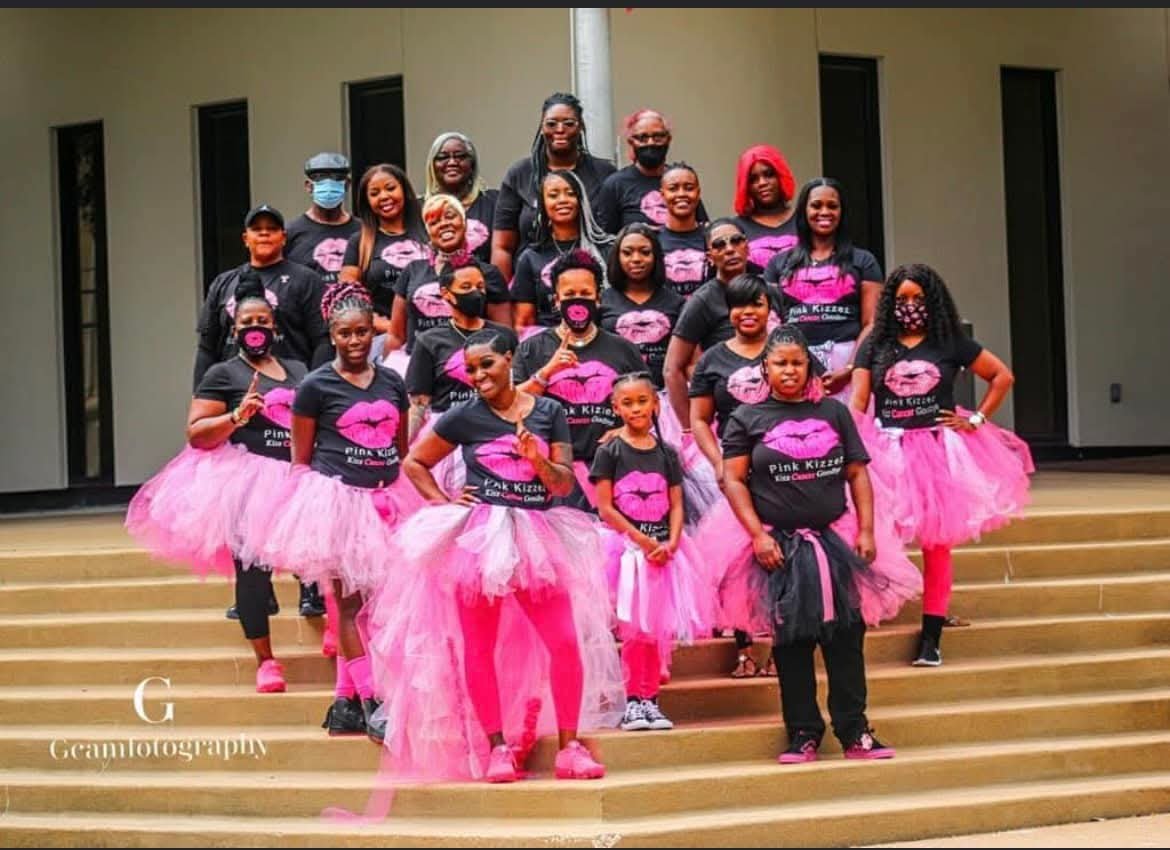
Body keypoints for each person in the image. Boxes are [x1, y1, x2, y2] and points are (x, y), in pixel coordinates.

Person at [365, 328, 623, 783]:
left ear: (509, 358)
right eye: (471, 368)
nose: (478, 374)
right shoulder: (463, 415)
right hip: (480, 538)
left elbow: (563, 484)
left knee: (563, 641)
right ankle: (496, 747)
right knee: (478, 646)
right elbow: (413, 462)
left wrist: (536, 458)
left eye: (487, 364)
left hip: (539, 534)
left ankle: (570, 748)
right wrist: (443, 502)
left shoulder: (549, 412)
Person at [712, 324, 919, 764]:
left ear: (810, 366)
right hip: (780, 546)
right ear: (764, 368)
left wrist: (865, 529)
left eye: (797, 362)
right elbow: (732, 480)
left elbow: (858, 472)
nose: (789, 370)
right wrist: (758, 535)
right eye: (780, 363)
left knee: (846, 637)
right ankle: (803, 732)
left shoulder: (833, 412)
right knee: (792, 641)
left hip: (835, 539)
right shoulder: (746, 419)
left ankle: (855, 730)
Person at [254, 282, 423, 743]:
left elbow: (401, 450)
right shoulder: (315, 386)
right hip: (340, 504)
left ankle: (346, 703)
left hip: (390, 500)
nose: (354, 341)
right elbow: (301, 457)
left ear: (374, 333)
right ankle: (373, 702)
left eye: (363, 332)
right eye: (345, 333)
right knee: (349, 605)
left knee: (384, 604)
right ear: (332, 335)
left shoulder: (391, 382)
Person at [127, 275, 308, 694]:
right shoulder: (222, 374)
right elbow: (197, 433)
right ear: (234, 330)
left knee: (323, 561)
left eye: (262, 320)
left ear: (275, 327)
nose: (255, 328)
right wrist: (236, 417)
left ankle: (341, 641)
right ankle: (266, 660)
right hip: (248, 480)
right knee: (253, 572)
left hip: (298, 478)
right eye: (246, 323)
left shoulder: (299, 370)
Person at [850, 263, 1033, 667]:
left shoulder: (950, 342)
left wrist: (977, 419)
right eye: (901, 299)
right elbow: (859, 401)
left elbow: (1001, 376)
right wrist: (852, 446)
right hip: (886, 449)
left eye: (918, 298)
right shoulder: (875, 344)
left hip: (936, 450)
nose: (910, 306)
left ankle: (931, 637)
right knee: (874, 535)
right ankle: (868, 615)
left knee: (937, 546)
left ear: (932, 300)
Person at [590, 372, 710, 732]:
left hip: (665, 552)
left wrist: (672, 541)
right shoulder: (610, 450)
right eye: (627, 403)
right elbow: (606, 507)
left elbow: (676, 503)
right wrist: (643, 542)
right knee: (634, 630)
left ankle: (651, 699)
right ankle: (633, 702)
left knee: (656, 631)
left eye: (642, 401)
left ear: (655, 404)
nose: (636, 408)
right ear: (615, 408)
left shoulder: (666, 453)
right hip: (627, 553)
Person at [687, 274, 775, 676]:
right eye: (739, 306)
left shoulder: (786, 349)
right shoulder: (712, 359)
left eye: (756, 303)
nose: (748, 313)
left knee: (780, 555)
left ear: (769, 308)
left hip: (782, 470)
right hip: (734, 470)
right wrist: (718, 461)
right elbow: (700, 419)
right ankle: (743, 644)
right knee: (734, 560)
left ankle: (777, 645)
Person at [513, 250, 646, 508]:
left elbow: (648, 406)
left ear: (598, 298)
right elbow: (511, 407)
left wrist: (625, 430)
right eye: (570, 296)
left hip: (612, 471)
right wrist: (546, 372)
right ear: (556, 300)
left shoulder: (624, 349)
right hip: (552, 475)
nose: (578, 302)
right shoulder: (531, 348)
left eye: (585, 295)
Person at [404, 256, 519, 500]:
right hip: (449, 436)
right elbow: (418, 404)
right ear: (446, 293)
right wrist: (403, 448)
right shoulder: (429, 340)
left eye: (480, 287)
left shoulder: (504, 336)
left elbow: (518, 391)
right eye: (466, 288)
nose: (476, 294)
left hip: (497, 432)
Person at [764, 178, 883, 401]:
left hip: (850, 363)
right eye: (816, 205)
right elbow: (771, 322)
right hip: (794, 364)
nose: (824, 212)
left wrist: (850, 368)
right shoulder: (778, 264)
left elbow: (872, 323)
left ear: (842, 211)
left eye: (832, 206)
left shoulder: (864, 261)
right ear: (804, 210)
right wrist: (802, 364)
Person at [194, 204, 331, 388]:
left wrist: (314, 391)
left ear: (283, 238)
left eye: (272, 229)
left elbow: (323, 342)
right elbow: (207, 348)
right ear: (245, 238)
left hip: (290, 389)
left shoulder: (307, 280)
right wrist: (200, 393)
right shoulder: (223, 283)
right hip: (231, 391)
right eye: (257, 229)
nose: (264, 234)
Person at [491, 92, 616, 282]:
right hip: (532, 287)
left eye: (568, 123)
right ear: (541, 128)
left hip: (596, 282)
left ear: (581, 126)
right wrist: (502, 298)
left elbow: (618, 234)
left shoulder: (605, 173)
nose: (560, 129)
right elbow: (502, 247)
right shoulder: (520, 174)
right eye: (551, 124)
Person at [384, 194, 511, 363]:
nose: (444, 224)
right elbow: (396, 335)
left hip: (471, 366)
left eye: (450, 216)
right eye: (434, 222)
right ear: (427, 231)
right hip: (417, 363)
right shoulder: (413, 270)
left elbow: (502, 333)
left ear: (464, 223)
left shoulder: (488, 274)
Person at [662, 218, 756, 430]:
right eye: (719, 245)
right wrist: (690, 428)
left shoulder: (767, 290)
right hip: (728, 415)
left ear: (747, 246)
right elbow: (672, 369)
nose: (729, 249)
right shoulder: (702, 301)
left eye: (735, 241)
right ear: (710, 257)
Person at [510, 170, 612, 341]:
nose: (562, 200)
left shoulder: (606, 249)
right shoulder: (530, 257)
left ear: (581, 200)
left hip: (600, 342)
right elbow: (524, 323)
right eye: (553, 195)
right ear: (543, 204)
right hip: (549, 347)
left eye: (570, 193)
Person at [339, 164, 428, 334]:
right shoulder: (359, 242)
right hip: (382, 336)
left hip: (432, 333)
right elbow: (347, 298)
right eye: (374, 193)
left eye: (390, 188)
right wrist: (388, 327)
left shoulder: (429, 232)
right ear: (367, 201)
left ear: (404, 189)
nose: (384, 196)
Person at [594, 109, 708, 233]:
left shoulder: (681, 180)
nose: (651, 143)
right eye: (642, 138)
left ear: (668, 139)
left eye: (658, 137)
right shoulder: (615, 185)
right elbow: (605, 239)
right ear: (631, 142)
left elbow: (704, 229)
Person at [600, 223, 684, 391]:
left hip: (665, 396)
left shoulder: (677, 303)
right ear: (617, 257)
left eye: (645, 252)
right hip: (613, 394)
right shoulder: (602, 301)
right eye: (627, 252)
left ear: (656, 257)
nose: (636, 259)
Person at [285, 152, 362, 286]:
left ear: (347, 184)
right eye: (320, 178)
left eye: (337, 178)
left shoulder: (363, 231)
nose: (329, 184)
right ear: (308, 186)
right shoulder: (290, 232)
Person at [423, 132, 497, 264]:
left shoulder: (495, 202)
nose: (452, 162)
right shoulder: (418, 208)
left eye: (460, 156)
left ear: (472, 164)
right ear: (432, 165)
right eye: (442, 157)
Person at [733, 145, 798, 270]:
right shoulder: (736, 227)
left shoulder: (804, 219)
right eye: (753, 179)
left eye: (769, 175)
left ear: (781, 176)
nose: (762, 183)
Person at [657, 163, 710, 300]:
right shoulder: (653, 240)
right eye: (673, 189)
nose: (681, 194)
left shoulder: (712, 237)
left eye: (689, 188)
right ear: (662, 195)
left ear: (698, 194)